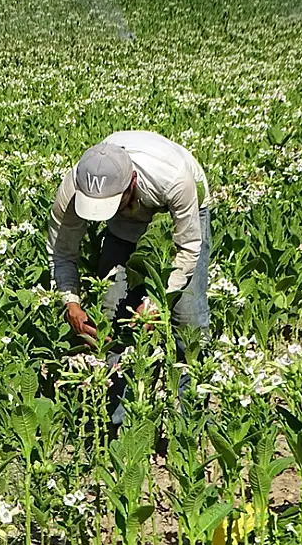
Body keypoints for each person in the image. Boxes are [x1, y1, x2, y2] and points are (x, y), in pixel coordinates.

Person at [46, 130, 211, 427]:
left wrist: (158, 300)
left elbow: (188, 249)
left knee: (188, 321)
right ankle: (118, 422)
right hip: (125, 223)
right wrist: (70, 301)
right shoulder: (72, 188)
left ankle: (191, 425)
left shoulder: (174, 177)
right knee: (110, 315)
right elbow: (62, 253)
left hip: (181, 205)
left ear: (130, 184)